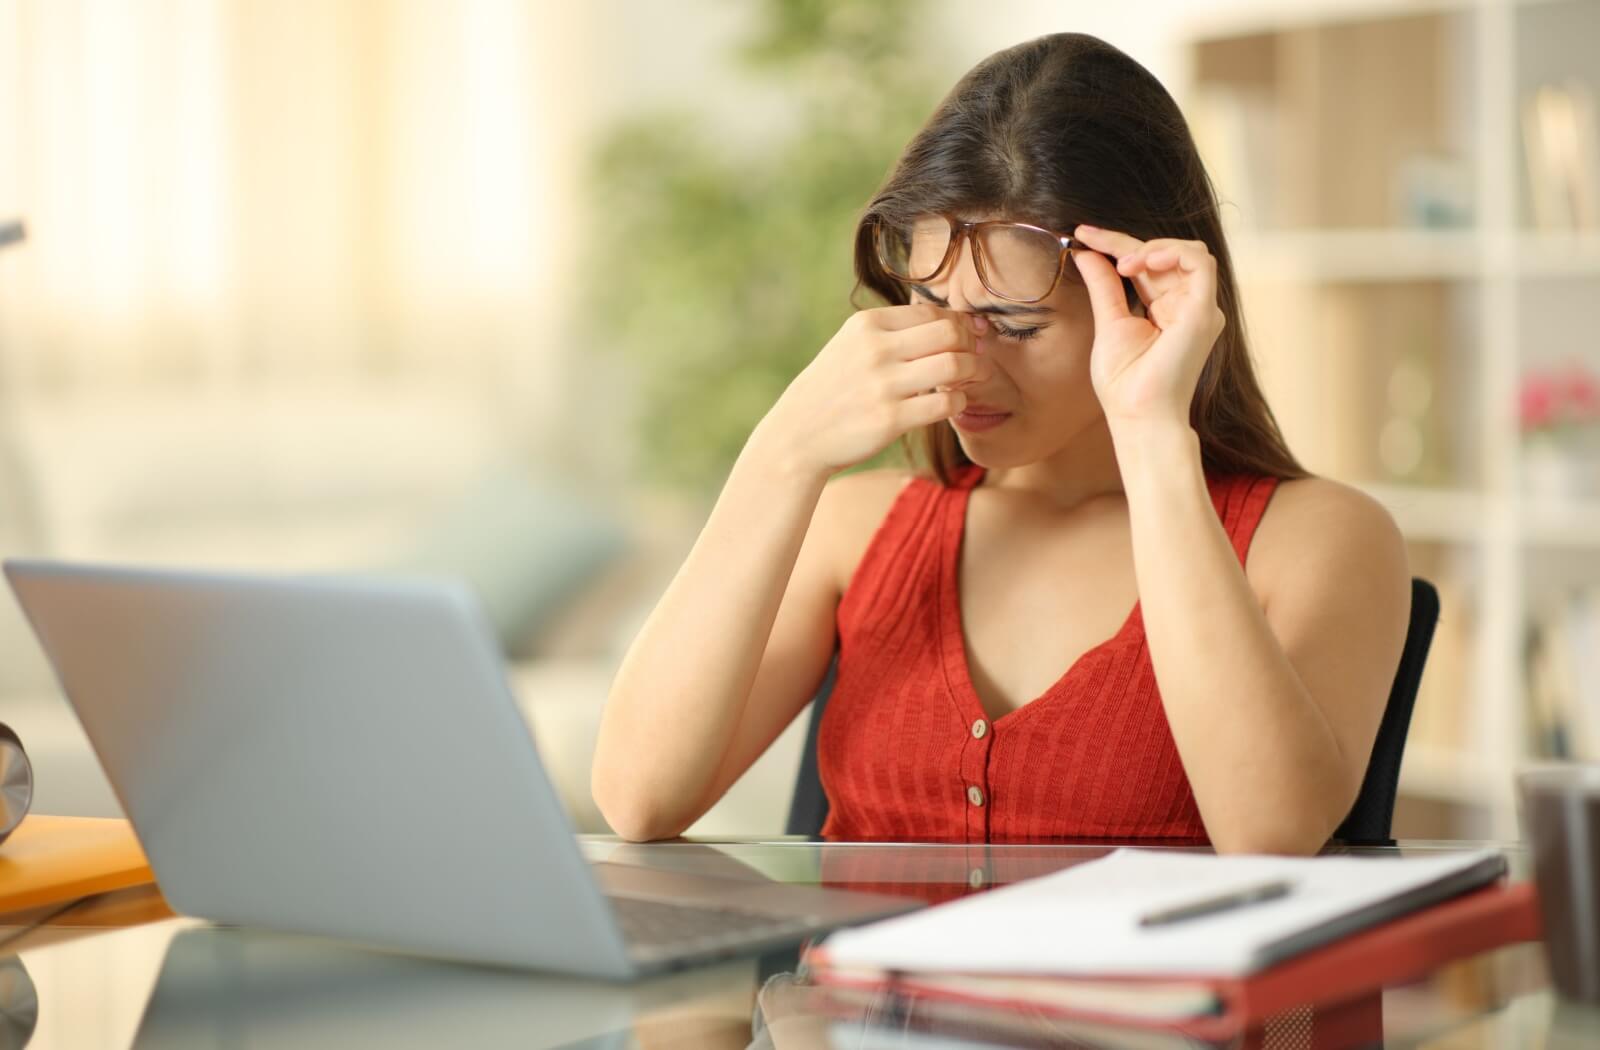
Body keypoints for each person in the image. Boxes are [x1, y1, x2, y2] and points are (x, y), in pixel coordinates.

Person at [592, 32, 1410, 854]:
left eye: (1013, 324)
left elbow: (1269, 835)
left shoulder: (1321, 540)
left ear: (1147, 300)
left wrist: (1153, 434)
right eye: (929, 303)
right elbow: (638, 798)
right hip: (862, 984)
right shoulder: (855, 528)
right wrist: (784, 451)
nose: (961, 363)